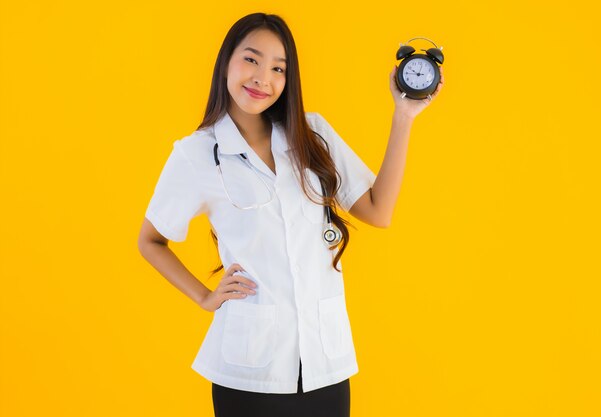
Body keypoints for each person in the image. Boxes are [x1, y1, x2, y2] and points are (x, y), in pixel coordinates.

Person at [137, 12, 444, 417]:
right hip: (249, 372)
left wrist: (403, 116)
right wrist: (204, 297)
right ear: (226, 61)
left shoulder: (311, 134)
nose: (263, 78)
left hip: (324, 363)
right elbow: (150, 240)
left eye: (278, 68)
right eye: (251, 59)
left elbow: (379, 210)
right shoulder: (196, 155)